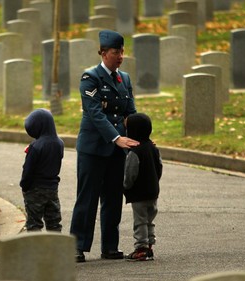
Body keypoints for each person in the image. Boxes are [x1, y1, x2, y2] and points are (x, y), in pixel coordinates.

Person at [70, 29, 139, 263]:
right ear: (103, 52)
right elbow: (95, 113)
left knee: (112, 198)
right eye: (115, 52)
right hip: (93, 148)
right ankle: (77, 246)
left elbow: (130, 112)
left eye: (122, 51)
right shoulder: (90, 78)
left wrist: (141, 137)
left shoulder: (125, 78)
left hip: (117, 149)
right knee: (87, 198)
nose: (120, 56)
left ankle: (110, 246)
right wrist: (116, 138)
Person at [123, 113, 163, 261]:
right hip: (153, 191)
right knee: (149, 219)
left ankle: (141, 248)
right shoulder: (153, 148)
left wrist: (126, 186)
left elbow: (130, 174)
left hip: (139, 193)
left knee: (140, 220)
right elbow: (159, 166)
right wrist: (155, 181)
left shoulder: (134, 152)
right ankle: (150, 245)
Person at [20, 108, 64, 232]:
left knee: (34, 224)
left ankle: (37, 250)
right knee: (54, 223)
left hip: (35, 190)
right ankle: (55, 250)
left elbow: (28, 170)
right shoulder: (59, 143)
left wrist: (24, 185)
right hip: (52, 189)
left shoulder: (35, 146)